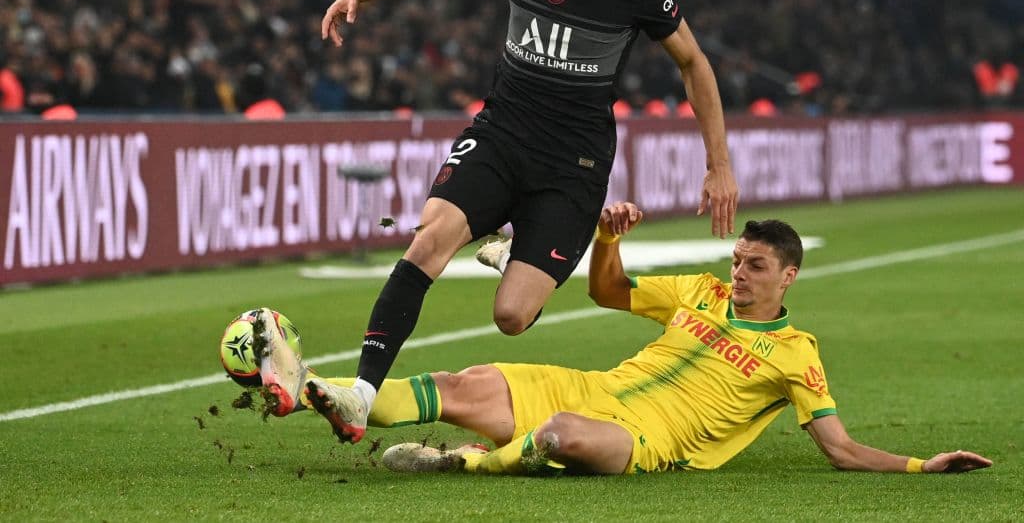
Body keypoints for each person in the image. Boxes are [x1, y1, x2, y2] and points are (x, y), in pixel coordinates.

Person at [303, 0, 740, 443]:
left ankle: (515, 248)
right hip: (501, 135)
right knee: (429, 241)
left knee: (511, 316)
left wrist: (718, 163)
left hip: (573, 165)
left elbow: (693, 62)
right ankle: (361, 395)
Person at [249, 202, 992, 476]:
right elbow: (609, 291)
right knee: (457, 383)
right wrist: (608, 238)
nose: (739, 273)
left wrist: (922, 464)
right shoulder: (701, 292)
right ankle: (319, 388)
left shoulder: (798, 354)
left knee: (561, 436)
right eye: (738, 260)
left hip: (645, 438)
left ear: (788, 276)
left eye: (755, 266)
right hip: (594, 386)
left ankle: (463, 461)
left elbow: (840, 448)